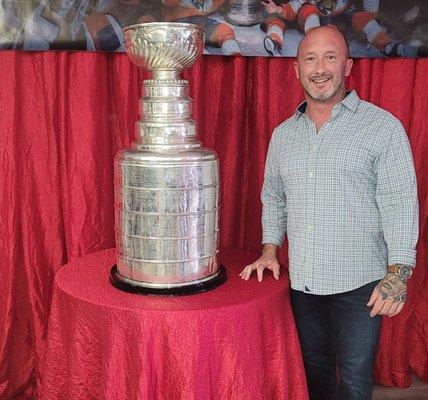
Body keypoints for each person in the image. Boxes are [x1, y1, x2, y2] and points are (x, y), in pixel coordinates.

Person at [239, 25, 418, 400]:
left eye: (330, 57)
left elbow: (400, 202)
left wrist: (398, 274)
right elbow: (273, 196)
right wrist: (270, 249)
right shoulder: (283, 135)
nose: (319, 68)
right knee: (314, 372)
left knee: (353, 381)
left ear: (348, 66)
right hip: (303, 283)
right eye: (310, 58)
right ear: (296, 69)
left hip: (362, 283)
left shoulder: (382, 128)